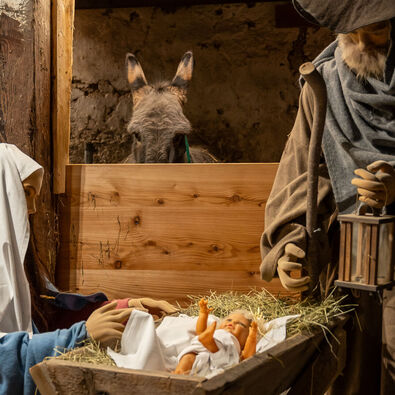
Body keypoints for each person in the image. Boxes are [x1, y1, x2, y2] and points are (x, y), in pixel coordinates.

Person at [259, 1, 395, 394]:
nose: (361, 42)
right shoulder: (324, 84)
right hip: (348, 268)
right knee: (349, 377)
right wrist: (290, 246)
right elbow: (303, 171)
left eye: (377, 30)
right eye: (350, 32)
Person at [0, 143, 177, 394]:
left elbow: (45, 312)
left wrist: (122, 309)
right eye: (27, 194)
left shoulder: (14, 265)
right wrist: (78, 337)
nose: (34, 209)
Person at [174, 299, 257, 376]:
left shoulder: (235, 344)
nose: (232, 323)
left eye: (240, 324)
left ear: (246, 338)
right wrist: (203, 315)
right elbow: (200, 332)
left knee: (218, 347)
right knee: (188, 357)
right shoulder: (216, 332)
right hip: (200, 354)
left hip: (219, 361)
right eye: (229, 320)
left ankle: (211, 344)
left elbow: (247, 356)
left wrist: (252, 338)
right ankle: (178, 373)